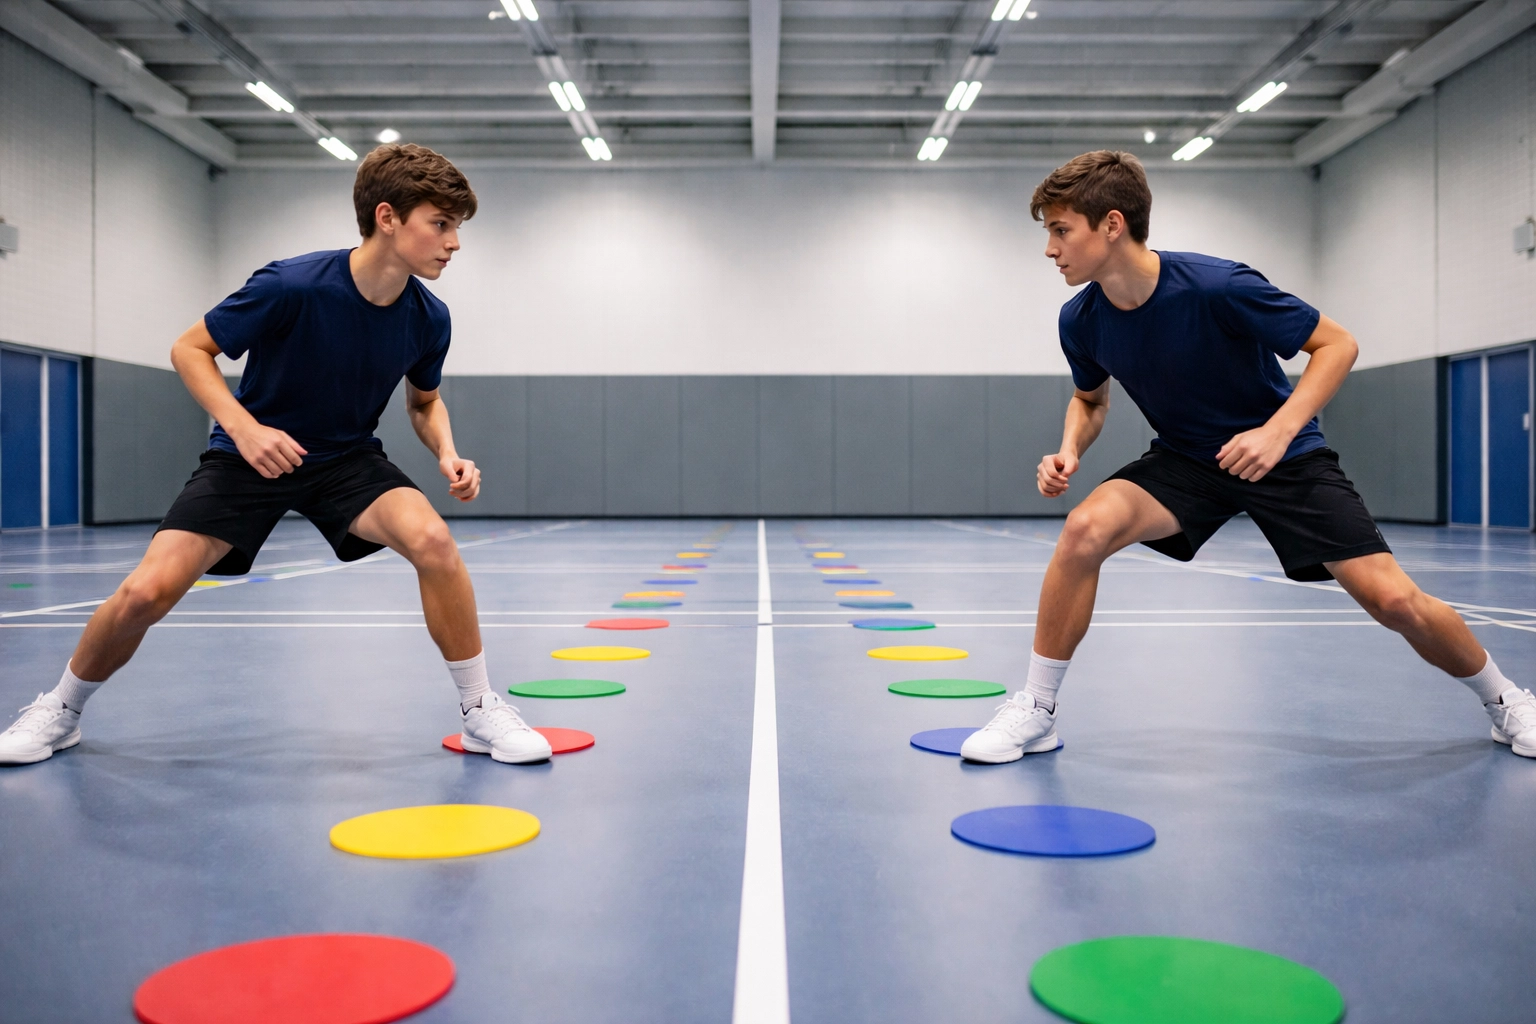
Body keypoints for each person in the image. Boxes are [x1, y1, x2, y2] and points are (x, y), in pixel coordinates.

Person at [960, 150, 1536, 764]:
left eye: (1059, 229)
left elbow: (1337, 345)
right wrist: (1069, 448)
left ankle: (1507, 702)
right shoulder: (1081, 318)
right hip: (1185, 461)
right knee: (1084, 530)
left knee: (1393, 600)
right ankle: (1037, 710)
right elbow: (1088, 398)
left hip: (1283, 457)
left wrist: (1277, 432)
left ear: (1111, 224)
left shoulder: (1216, 285)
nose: (1050, 248)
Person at [0, 143, 551, 766]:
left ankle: (480, 710)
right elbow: (190, 350)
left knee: (434, 542)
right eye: (442, 224)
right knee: (145, 593)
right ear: (389, 217)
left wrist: (449, 452)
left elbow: (423, 404)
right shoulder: (291, 284)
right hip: (248, 458)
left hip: (345, 461)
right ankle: (60, 709)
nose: (454, 243)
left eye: (457, 228)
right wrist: (243, 428)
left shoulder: (429, 318)